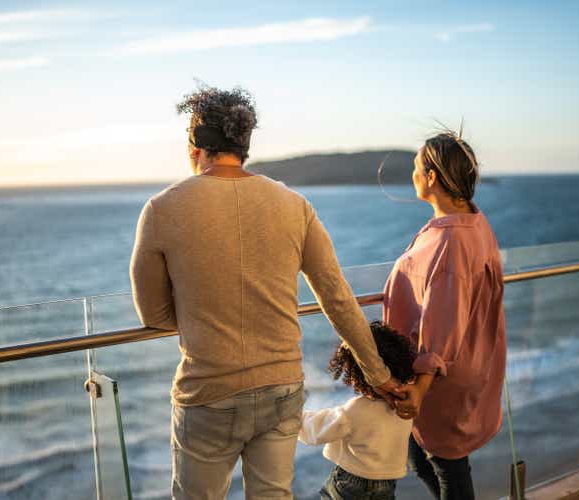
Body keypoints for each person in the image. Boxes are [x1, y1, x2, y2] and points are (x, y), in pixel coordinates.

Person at [129, 85, 404, 500]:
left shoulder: (162, 209)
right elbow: (337, 298)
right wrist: (378, 374)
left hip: (208, 392)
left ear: (194, 147)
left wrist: (202, 315)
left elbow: (152, 313)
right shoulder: (295, 205)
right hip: (281, 387)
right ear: (244, 145)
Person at [383, 129, 507, 500]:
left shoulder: (452, 239)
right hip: (464, 363)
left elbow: (444, 319)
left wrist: (419, 387)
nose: (413, 175)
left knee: (445, 467)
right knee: (430, 460)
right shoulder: (473, 221)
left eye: (416, 168)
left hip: (440, 378)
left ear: (432, 177)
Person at [298, 321, 417, 500]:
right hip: (387, 482)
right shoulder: (405, 404)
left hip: (352, 481)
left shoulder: (357, 409)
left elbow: (316, 431)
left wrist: (292, 417)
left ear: (357, 374)